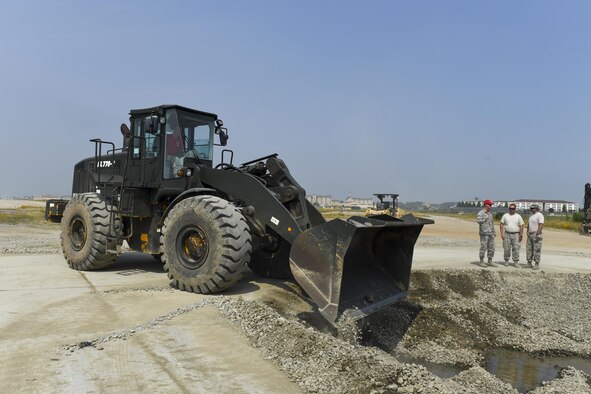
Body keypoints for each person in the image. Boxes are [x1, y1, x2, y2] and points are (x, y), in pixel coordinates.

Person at [476, 199, 496, 266]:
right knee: (483, 247)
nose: (491, 206)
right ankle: (481, 261)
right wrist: (485, 218)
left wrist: (494, 231)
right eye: (490, 205)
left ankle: (490, 261)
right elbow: (478, 221)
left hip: (490, 233)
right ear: (485, 205)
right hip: (484, 233)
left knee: (492, 247)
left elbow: (492, 223)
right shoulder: (481, 213)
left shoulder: (490, 213)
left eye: (491, 205)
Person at [526, 204, 544, 269]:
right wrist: (527, 231)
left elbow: (541, 224)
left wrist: (538, 233)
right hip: (530, 234)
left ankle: (536, 264)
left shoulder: (539, 215)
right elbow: (529, 224)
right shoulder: (531, 216)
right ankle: (529, 262)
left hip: (536, 234)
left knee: (536, 249)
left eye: (533, 208)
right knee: (529, 249)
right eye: (531, 208)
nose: (532, 209)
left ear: (536, 208)